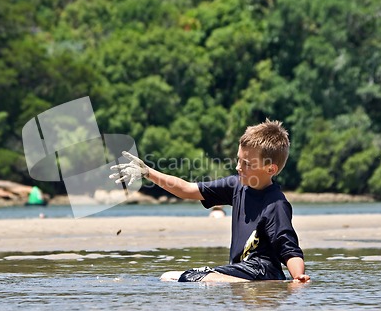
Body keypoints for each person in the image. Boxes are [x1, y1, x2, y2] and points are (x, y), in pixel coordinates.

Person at [109, 119, 310, 283]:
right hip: (241, 270)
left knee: (193, 279)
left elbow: (288, 246)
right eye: (239, 159)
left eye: (247, 163)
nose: (239, 167)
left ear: (270, 169)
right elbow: (187, 189)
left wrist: (298, 277)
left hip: (262, 271)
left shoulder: (276, 204)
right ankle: (225, 279)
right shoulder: (236, 186)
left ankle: (231, 280)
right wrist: (148, 172)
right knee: (169, 277)